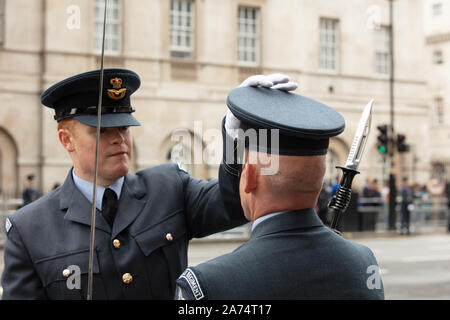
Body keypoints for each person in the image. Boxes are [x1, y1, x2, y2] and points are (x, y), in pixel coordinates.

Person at [1, 69, 295, 299]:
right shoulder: (30, 230)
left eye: (125, 127)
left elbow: (234, 205)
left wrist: (238, 130)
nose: (120, 138)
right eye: (103, 130)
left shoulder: (168, 187)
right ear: (66, 140)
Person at [174, 85, 384, 300]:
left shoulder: (209, 284)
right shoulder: (363, 262)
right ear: (319, 181)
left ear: (250, 177)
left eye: (243, 166)